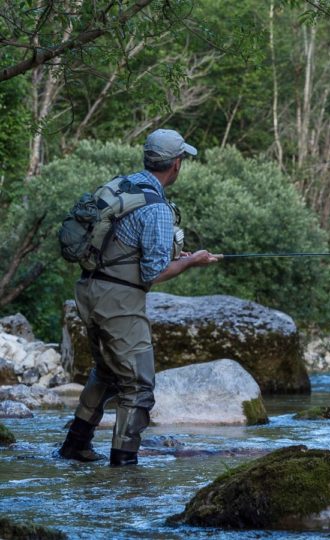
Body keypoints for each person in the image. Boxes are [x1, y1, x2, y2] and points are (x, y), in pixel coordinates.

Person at [58, 129, 218, 466]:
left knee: (106, 372)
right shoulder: (157, 207)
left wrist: (178, 256)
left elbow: (123, 248)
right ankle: (124, 464)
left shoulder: (121, 185)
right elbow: (153, 273)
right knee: (139, 385)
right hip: (119, 301)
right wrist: (191, 261)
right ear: (176, 164)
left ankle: (75, 446)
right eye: (181, 160)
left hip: (89, 290)